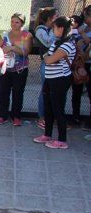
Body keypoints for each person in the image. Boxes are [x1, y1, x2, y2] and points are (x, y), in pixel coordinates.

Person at [33, 16, 76, 149]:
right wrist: (48, 57)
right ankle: (47, 134)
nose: (53, 31)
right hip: (50, 79)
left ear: (62, 28)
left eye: (55, 28)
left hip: (60, 80)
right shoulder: (57, 42)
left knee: (58, 109)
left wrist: (48, 58)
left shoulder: (68, 44)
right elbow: (47, 57)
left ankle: (62, 140)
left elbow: (48, 60)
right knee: (48, 108)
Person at [0, 13, 32, 126]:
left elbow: (26, 51)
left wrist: (12, 48)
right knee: (3, 92)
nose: (14, 24)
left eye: (17, 22)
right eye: (12, 22)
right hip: (5, 68)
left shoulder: (27, 35)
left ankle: (16, 116)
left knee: (18, 93)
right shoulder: (4, 34)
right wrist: (2, 51)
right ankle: (2, 116)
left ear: (22, 23)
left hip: (20, 69)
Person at [33, 7, 58, 130]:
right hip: (46, 64)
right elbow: (48, 43)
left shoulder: (52, 29)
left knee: (54, 91)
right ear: (49, 18)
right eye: (55, 17)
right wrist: (55, 30)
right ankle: (42, 117)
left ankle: (52, 116)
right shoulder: (40, 29)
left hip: (57, 64)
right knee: (45, 90)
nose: (57, 19)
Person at [74, 5, 91, 131]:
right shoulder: (84, 27)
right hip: (79, 63)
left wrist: (83, 36)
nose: (84, 18)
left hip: (87, 62)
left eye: (87, 16)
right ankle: (76, 117)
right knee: (76, 91)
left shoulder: (83, 30)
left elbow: (86, 42)